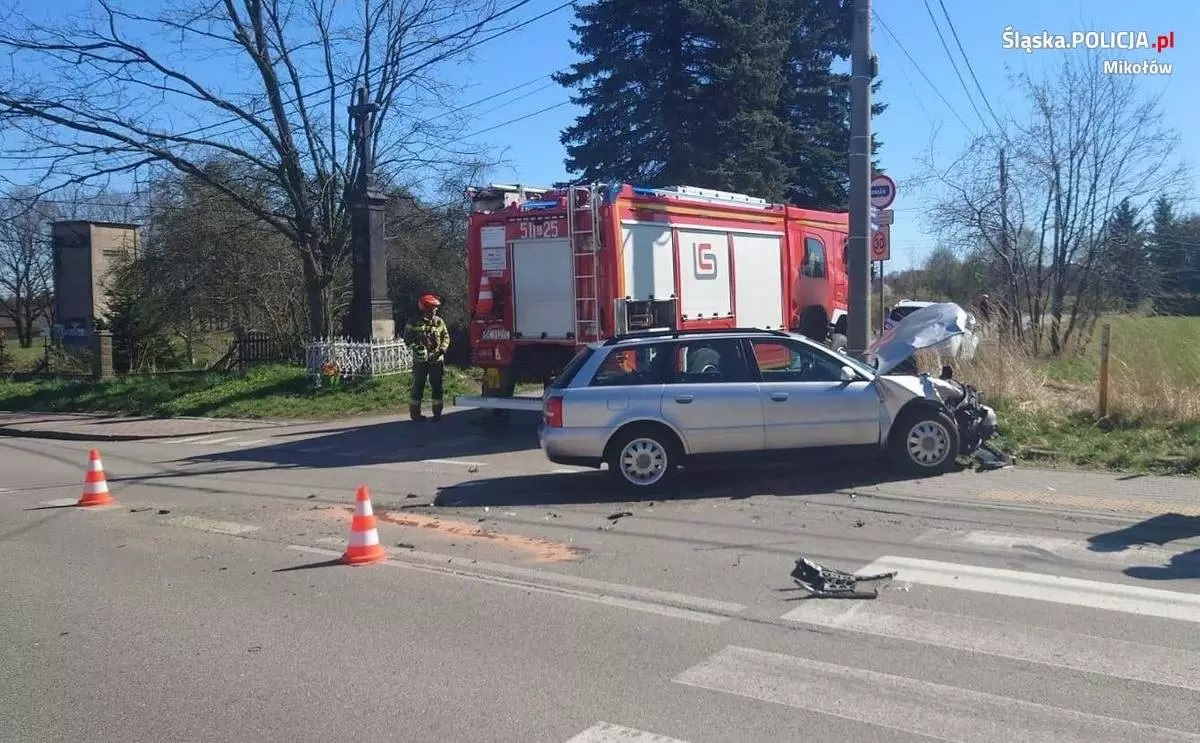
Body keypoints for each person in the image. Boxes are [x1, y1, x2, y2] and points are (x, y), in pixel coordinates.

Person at [405, 293, 451, 422]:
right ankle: (415, 414)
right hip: (420, 361)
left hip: (436, 359)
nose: (435, 311)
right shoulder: (413, 322)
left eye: (435, 309)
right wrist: (417, 349)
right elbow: (407, 339)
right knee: (418, 385)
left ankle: (437, 413)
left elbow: (446, 337)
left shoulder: (438, 322)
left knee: (437, 386)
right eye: (433, 309)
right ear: (425, 309)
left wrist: (441, 350)